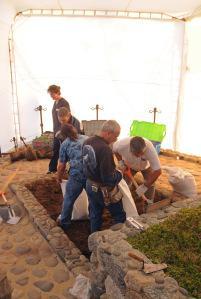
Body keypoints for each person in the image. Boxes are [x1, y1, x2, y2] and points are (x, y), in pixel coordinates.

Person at [83, 120, 126, 233]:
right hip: (103, 190)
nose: (116, 139)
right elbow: (108, 179)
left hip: (89, 183)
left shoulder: (87, 141)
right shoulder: (105, 149)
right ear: (108, 133)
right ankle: (118, 242)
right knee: (119, 215)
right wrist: (120, 172)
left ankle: (93, 239)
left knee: (95, 213)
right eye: (115, 136)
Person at [57, 124, 88, 230]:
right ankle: (94, 223)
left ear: (64, 135)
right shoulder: (86, 139)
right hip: (90, 175)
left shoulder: (65, 144)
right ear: (74, 130)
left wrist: (59, 177)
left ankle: (65, 223)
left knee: (69, 199)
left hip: (76, 176)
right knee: (94, 200)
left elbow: (61, 165)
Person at [113, 136, 162, 201]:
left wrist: (145, 186)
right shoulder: (121, 145)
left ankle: (149, 202)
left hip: (145, 167)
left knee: (150, 184)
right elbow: (115, 151)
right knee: (125, 183)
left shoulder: (150, 149)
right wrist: (121, 162)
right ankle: (124, 201)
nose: (139, 156)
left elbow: (158, 171)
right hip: (129, 165)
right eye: (137, 154)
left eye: (142, 154)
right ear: (130, 148)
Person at [47, 85, 70, 173]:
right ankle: (52, 169)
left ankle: (66, 169)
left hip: (62, 131)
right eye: (50, 94)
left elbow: (66, 118)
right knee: (56, 149)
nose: (51, 96)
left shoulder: (64, 103)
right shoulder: (55, 102)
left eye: (52, 94)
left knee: (65, 150)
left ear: (57, 92)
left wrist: (61, 130)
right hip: (56, 130)